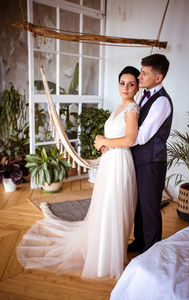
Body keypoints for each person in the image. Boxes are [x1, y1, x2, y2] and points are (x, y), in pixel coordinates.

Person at [17, 66, 140, 280]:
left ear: (137, 87)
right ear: (118, 85)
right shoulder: (118, 108)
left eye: (131, 84)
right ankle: (99, 249)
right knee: (104, 205)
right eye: (122, 83)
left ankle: (107, 258)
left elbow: (130, 140)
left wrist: (104, 141)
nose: (126, 88)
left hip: (120, 163)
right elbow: (117, 136)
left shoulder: (132, 110)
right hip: (110, 161)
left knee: (114, 206)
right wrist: (104, 142)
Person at [128, 53, 173, 254]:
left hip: (152, 163)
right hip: (140, 160)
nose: (139, 77)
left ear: (158, 78)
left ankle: (151, 251)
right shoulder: (144, 96)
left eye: (144, 73)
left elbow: (142, 136)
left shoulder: (162, 101)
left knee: (150, 208)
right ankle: (139, 242)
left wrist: (116, 143)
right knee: (139, 205)